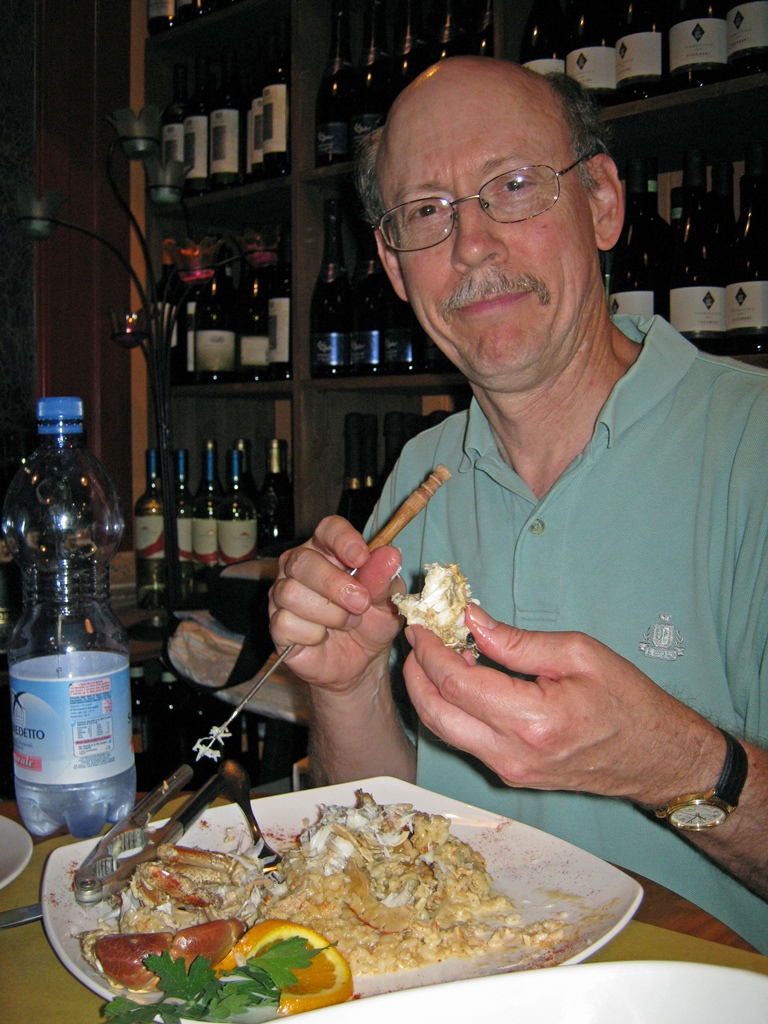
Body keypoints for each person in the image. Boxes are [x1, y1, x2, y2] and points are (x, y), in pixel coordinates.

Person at [268, 57, 768, 952]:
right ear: (391, 260)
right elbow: (387, 822)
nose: (472, 246)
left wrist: (677, 765)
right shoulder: (418, 475)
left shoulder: (753, 446)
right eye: (427, 212)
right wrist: (342, 688)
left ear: (604, 204)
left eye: (513, 185)